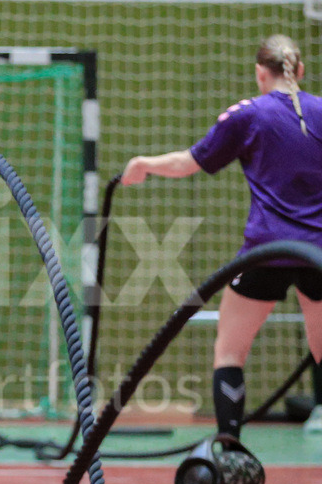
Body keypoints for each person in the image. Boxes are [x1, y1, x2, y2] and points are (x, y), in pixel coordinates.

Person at [121, 34, 322, 439]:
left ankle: (229, 448)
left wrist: (144, 163)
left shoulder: (247, 115)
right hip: (318, 253)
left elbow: (189, 162)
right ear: (299, 71)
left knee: (230, 351)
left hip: (265, 252)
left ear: (259, 73)